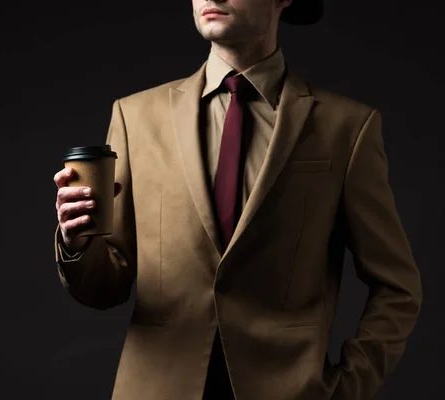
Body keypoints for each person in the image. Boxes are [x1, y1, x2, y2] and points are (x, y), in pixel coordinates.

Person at [52, 0, 423, 398]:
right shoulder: (134, 116)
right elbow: (105, 288)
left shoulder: (347, 127)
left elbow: (397, 288)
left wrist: (347, 387)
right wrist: (77, 244)